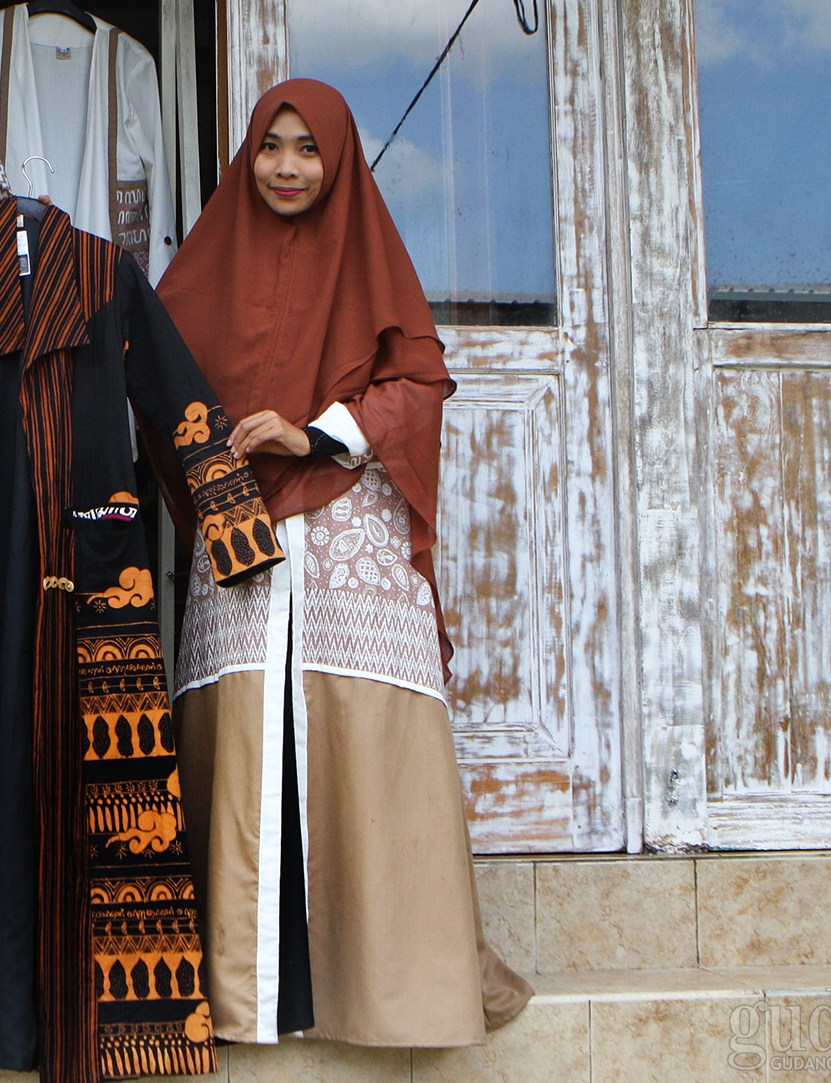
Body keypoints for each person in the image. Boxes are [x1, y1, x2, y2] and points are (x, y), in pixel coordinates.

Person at [154, 78, 531, 1049]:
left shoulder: (370, 258)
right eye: (270, 146)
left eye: (306, 149)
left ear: (337, 161)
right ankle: (246, 996)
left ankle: (390, 991)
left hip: (343, 535)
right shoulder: (201, 270)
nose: (286, 166)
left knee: (356, 743)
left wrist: (314, 430)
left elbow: (417, 379)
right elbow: (156, 385)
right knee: (245, 745)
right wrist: (209, 455)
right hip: (236, 537)